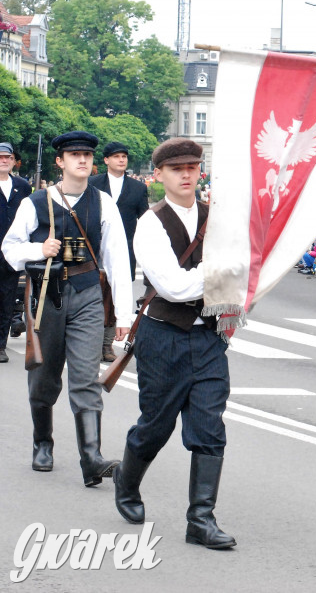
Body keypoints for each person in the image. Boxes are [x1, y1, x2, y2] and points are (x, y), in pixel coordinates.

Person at [110, 137, 235, 549]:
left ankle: (201, 519)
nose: (186, 174)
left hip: (208, 336)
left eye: (193, 167)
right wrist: (220, 271)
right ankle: (126, 483)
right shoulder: (150, 223)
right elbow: (174, 288)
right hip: (163, 336)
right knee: (156, 425)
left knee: (209, 428)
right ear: (159, 174)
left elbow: (242, 271)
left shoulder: (217, 217)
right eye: (177, 168)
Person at [2, 131, 133, 484]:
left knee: (85, 378)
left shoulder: (103, 203)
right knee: (43, 377)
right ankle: (42, 442)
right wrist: (38, 249)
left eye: (88, 156)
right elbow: (10, 249)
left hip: (88, 295)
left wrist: (123, 315)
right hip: (47, 296)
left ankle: (91, 457)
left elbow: (118, 260)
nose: (83, 161)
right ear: (60, 162)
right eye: (74, 155)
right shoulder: (36, 202)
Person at [89, 141, 150, 362]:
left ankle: (106, 345)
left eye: (124, 156)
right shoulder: (92, 184)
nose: (121, 160)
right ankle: (91, 341)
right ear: (106, 160)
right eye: (116, 157)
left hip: (124, 250)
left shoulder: (138, 188)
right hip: (94, 249)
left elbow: (145, 222)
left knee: (116, 299)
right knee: (93, 297)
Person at [0, 141, 31, 364]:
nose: (4, 161)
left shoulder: (22, 186)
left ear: (13, 161)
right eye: (0, 157)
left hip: (10, 254)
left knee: (7, 299)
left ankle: (1, 345)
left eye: (7, 158)